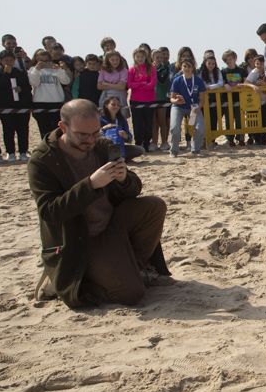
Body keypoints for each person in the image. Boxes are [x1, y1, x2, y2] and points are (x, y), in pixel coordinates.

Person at [27, 99, 170, 307]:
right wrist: (91, 185)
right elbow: (50, 212)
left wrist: (123, 179)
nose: (90, 140)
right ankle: (70, 282)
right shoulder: (43, 160)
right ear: (63, 127)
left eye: (95, 133)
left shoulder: (101, 146)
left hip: (111, 224)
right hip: (79, 238)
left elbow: (133, 190)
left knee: (154, 207)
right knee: (131, 294)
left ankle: (131, 269)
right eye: (82, 135)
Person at [0, 49, 32, 161]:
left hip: (20, 106)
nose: (8, 62)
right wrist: (6, 73)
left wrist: (21, 89)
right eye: (6, 60)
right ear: (1, 61)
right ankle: (10, 152)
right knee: (8, 130)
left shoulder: (20, 72)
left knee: (23, 130)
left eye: (11, 60)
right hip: (5, 106)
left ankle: (23, 151)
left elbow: (27, 87)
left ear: (14, 61)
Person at [28, 49, 71, 139]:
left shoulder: (55, 69)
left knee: (57, 130)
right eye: (41, 61)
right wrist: (37, 69)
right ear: (36, 60)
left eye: (46, 60)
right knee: (44, 130)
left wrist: (59, 70)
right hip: (40, 103)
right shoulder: (33, 70)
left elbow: (66, 81)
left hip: (56, 102)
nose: (44, 63)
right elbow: (34, 83)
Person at [168, 58, 206, 157]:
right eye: (185, 66)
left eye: (189, 66)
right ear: (181, 67)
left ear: (193, 67)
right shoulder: (177, 80)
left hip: (193, 108)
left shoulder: (198, 80)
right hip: (178, 107)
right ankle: (174, 150)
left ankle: (195, 150)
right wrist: (176, 101)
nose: (187, 68)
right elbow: (171, 99)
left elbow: (202, 99)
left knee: (199, 128)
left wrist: (197, 108)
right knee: (175, 128)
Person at [127, 48, 157, 151]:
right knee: (137, 123)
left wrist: (140, 86)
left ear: (146, 57)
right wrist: (141, 83)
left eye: (142, 56)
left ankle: (147, 143)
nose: (140, 59)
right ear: (134, 57)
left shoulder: (151, 68)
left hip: (149, 99)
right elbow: (129, 84)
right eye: (138, 56)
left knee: (148, 123)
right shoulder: (131, 69)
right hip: (135, 100)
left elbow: (152, 84)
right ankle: (138, 143)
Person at [221, 49, 249, 146]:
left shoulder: (241, 70)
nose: (229, 61)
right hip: (227, 101)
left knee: (240, 119)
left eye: (230, 59)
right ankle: (230, 139)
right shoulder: (223, 71)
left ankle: (241, 138)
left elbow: (246, 81)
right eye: (226, 60)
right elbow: (222, 82)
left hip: (239, 99)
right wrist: (225, 85)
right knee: (229, 120)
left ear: (235, 58)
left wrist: (243, 84)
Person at [199, 52, 226, 148]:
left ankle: (212, 140)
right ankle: (203, 141)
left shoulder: (217, 71)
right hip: (205, 100)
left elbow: (220, 82)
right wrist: (208, 87)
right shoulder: (202, 72)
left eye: (213, 63)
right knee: (204, 120)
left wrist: (210, 87)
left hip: (216, 99)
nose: (211, 65)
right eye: (209, 63)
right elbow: (201, 84)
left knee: (214, 120)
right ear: (205, 63)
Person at [244, 54, 266, 145]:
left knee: (265, 119)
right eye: (256, 64)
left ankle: (264, 139)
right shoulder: (254, 72)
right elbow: (246, 83)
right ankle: (256, 138)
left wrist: (264, 84)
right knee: (254, 120)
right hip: (255, 101)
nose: (258, 66)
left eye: (260, 63)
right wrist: (253, 86)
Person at [151, 49, 174, 151]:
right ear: (152, 58)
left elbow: (162, 80)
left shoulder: (165, 68)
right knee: (153, 122)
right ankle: (154, 142)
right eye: (157, 57)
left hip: (162, 97)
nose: (160, 59)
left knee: (162, 121)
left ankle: (164, 142)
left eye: (161, 57)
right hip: (151, 98)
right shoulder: (149, 68)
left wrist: (156, 70)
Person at [98, 50, 128, 114]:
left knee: (121, 117)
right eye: (112, 60)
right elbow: (99, 86)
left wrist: (106, 84)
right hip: (105, 97)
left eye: (117, 59)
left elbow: (122, 87)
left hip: (120, 97)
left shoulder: (124, 70)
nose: (115, 62)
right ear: (108, 60)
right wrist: (116, 85)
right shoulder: (103, 70)